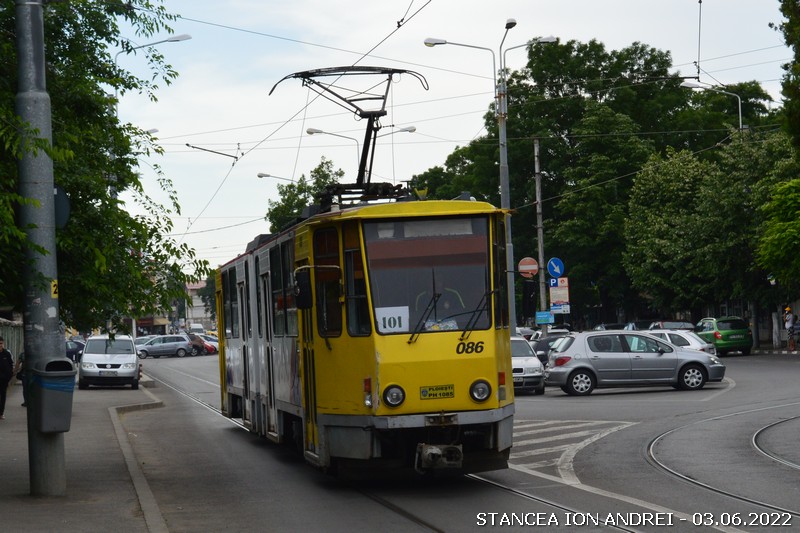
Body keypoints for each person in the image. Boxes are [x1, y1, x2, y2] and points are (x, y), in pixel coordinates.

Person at [0, 336, 15, 420]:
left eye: (1, 343)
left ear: (3, 343)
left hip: (4, 380)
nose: (0, 345)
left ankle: (1, 413)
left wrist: (9, 376)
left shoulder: (7, 353)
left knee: (3, 396)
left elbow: (11, 365)